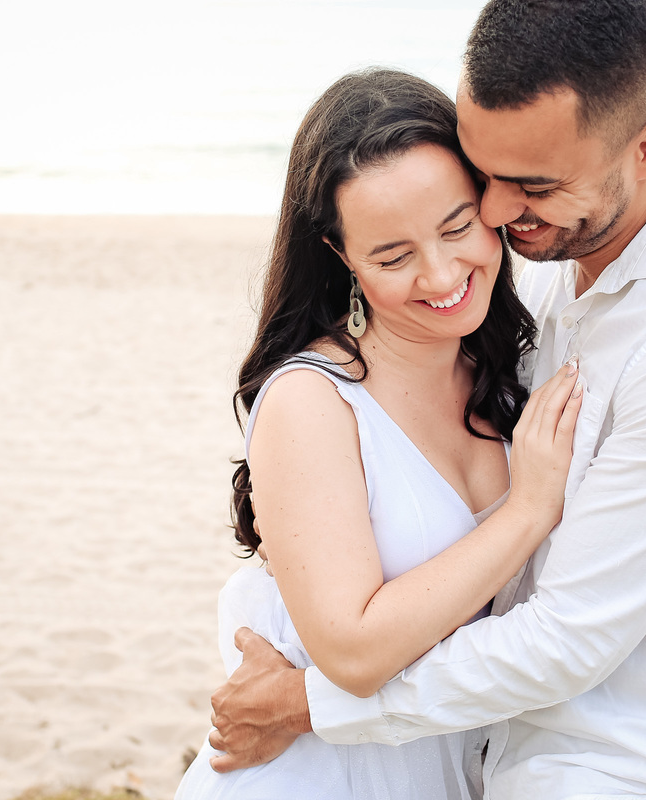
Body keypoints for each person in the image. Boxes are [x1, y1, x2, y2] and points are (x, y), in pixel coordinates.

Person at [207, 1, 646, 798]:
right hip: (492, 762)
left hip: (625, 775)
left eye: (531, 184)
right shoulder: (557, 265)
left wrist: (308, 703)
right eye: (483, 175)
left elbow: (569, 637)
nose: (496, 213)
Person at [175, 67, 585, 799]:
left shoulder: (513, 362)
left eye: (457, 227)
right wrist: (529, 511)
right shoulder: (312, 400)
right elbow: (355, 654)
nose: (440, 275)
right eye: (393, 257)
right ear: (341, 258)